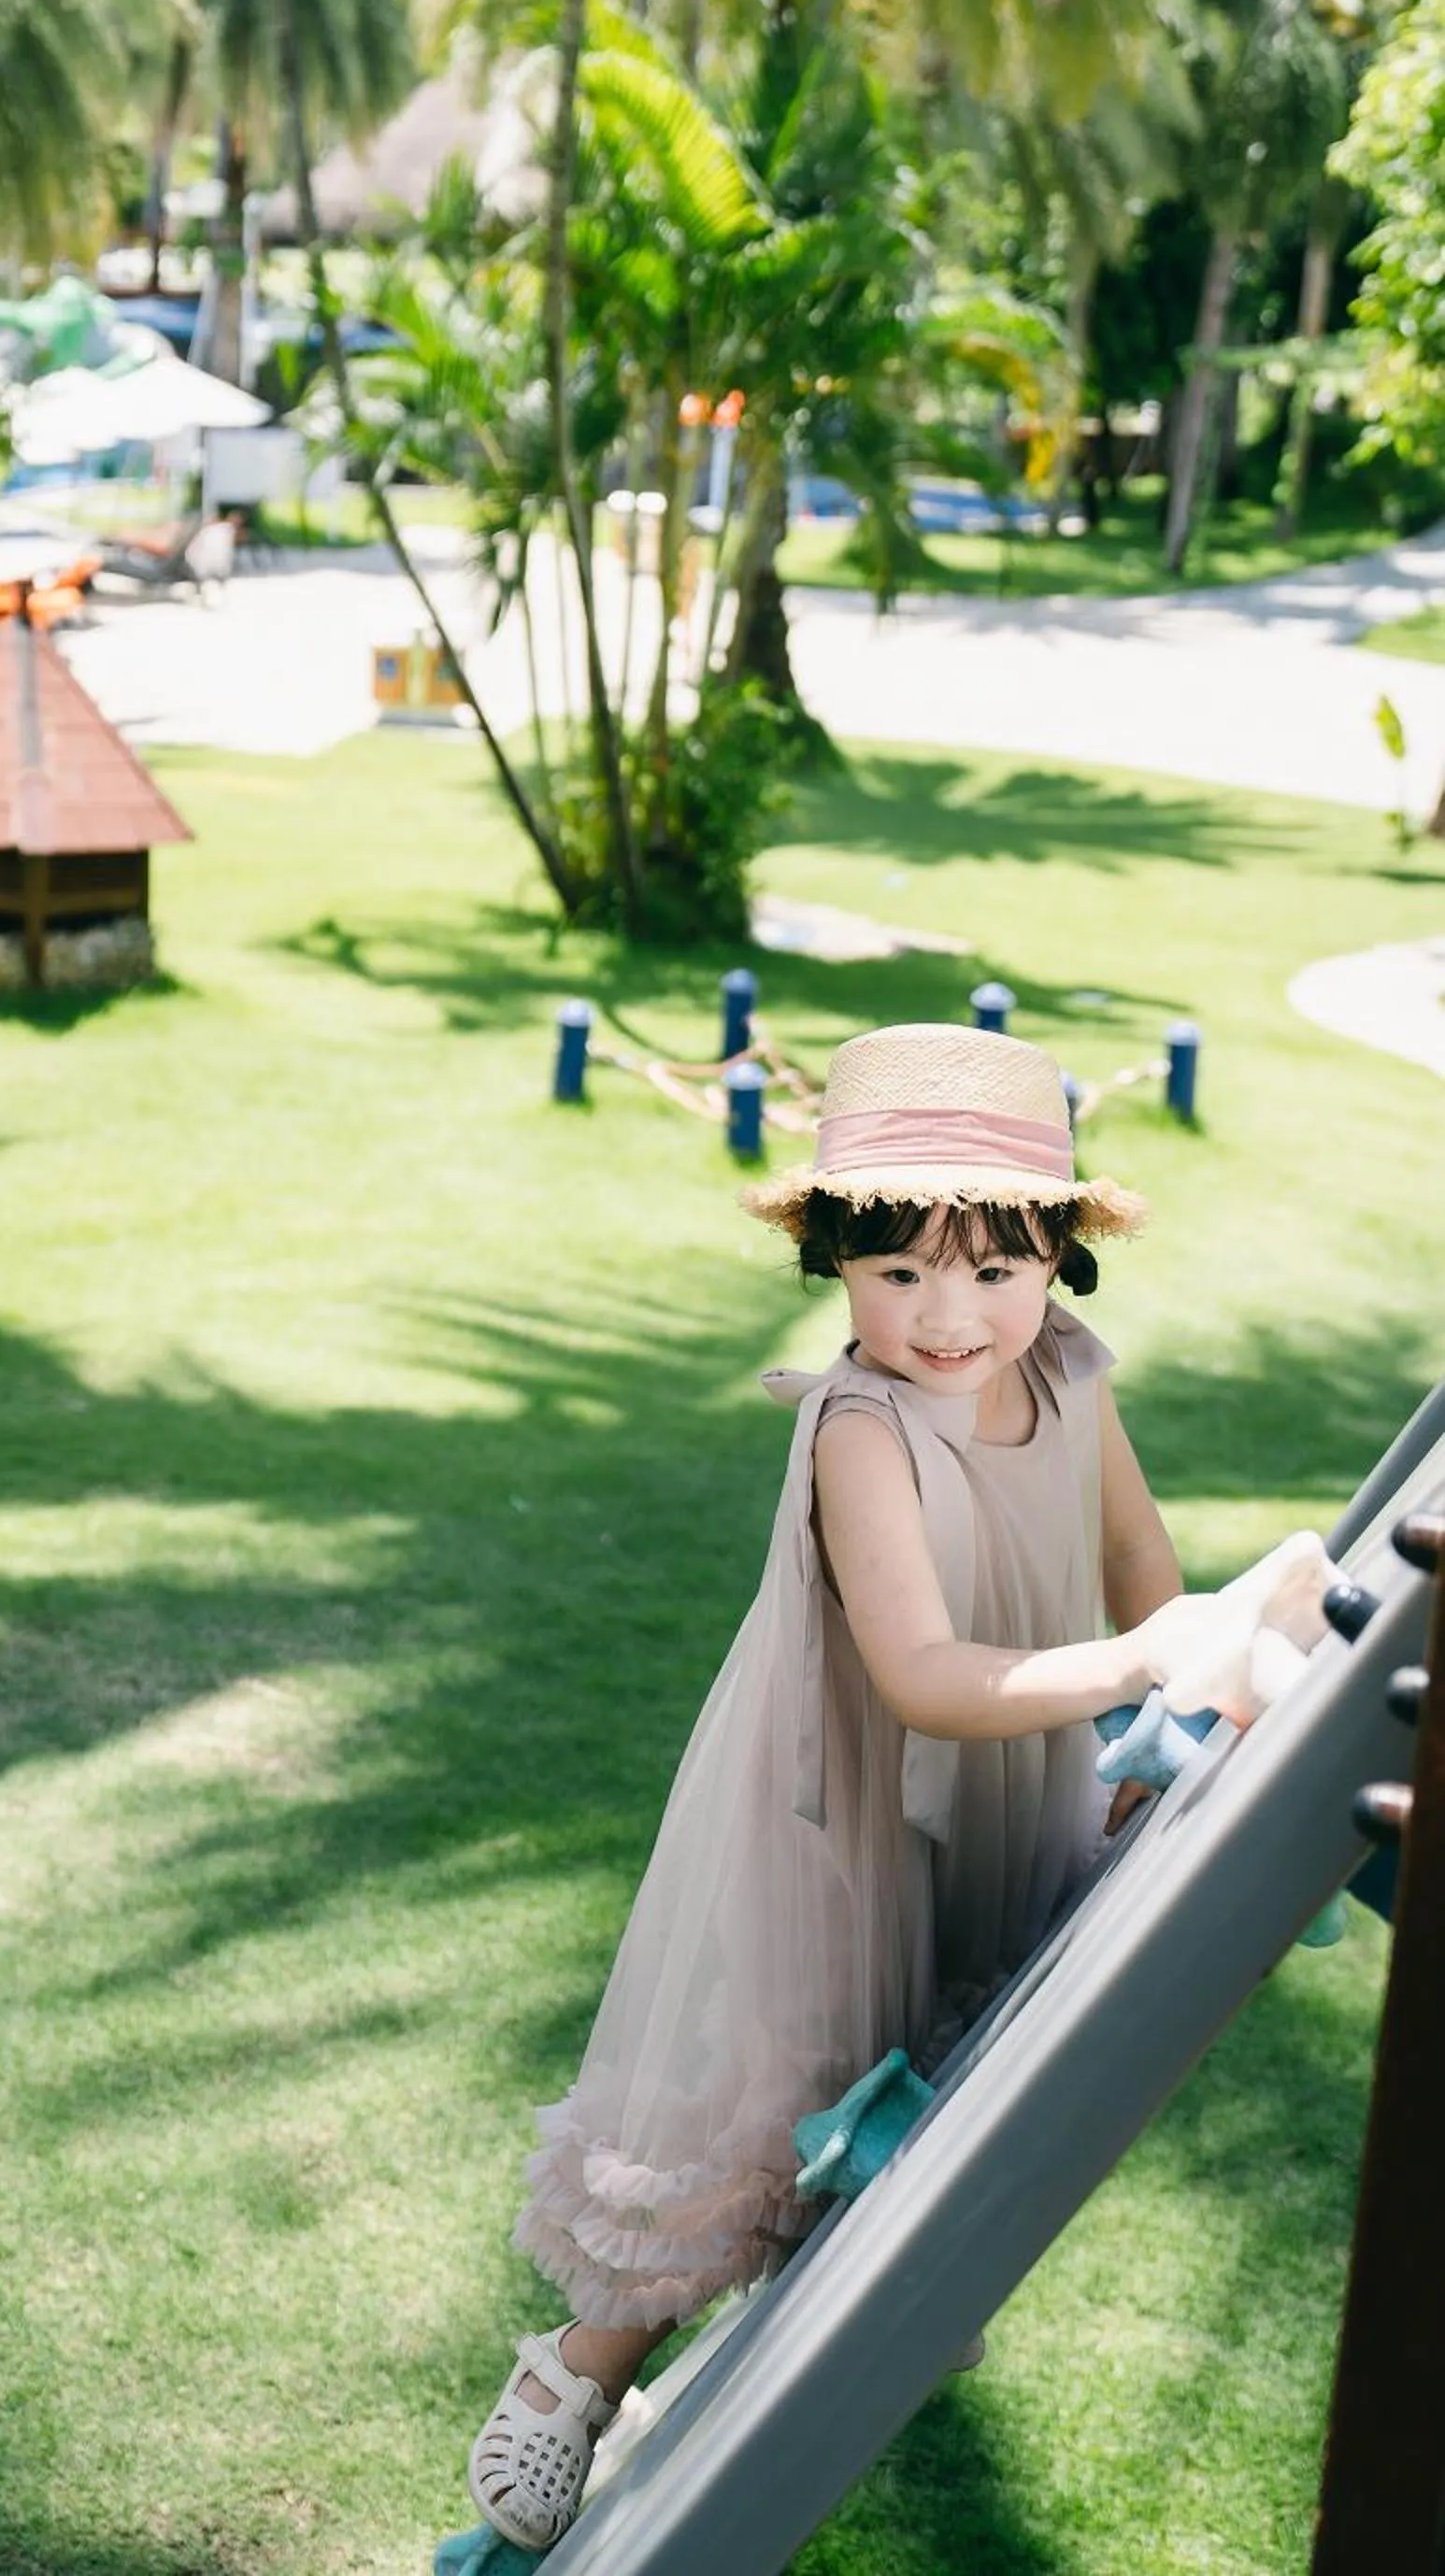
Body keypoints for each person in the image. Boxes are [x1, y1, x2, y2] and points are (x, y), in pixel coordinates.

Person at [465, 1020, 1228, 2554]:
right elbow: (919, 1674)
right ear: (833, 1265)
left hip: (1013, 1770)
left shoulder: (1070, 1374)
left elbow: (1139, 1557)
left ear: (1058, 1266)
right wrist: (1138, 1664)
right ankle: (582, 2369)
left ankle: (874, 2262)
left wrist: (1186, 1680)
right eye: (898, 1273)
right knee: (772, 2075)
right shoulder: (861, 1429)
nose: (947, 1314)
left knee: (961, 2019)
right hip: (847, 1797)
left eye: (991, 1270)